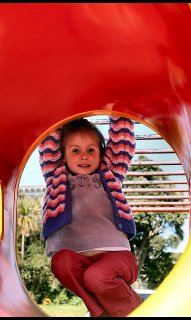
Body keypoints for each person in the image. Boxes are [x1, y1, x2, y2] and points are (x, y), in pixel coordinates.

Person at [38, 116, 142, 317]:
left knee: (96, 277)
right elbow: (48, 136)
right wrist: (60, 106)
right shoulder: (55, 176)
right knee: (61, 262)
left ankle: (134, 310)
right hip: (77, 261)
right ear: (63, 155)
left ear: (101, 154)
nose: (84, 156)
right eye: (75, 150)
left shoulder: (110, 173)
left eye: (91, 150)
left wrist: (115, 106)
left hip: (117, 257)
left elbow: (122, 140)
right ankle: (99, 312)